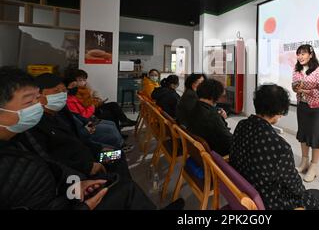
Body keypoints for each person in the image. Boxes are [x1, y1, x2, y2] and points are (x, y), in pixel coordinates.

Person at [0, 67, 183, 210]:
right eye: (29, 100)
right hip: (79, 175)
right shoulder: (30, 131)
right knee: (122, 185)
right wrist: (86, 169)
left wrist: (97, 151)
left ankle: (124, 185)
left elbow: (78, 141)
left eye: (63, 91)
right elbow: (54, 160)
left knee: (117, 155)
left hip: (87, 161)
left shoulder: (56, 114)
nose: (36, 104)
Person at [230, 84, 319, 210]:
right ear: (279, 112)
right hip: (268, 201)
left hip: (243, 188)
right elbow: (296, 187)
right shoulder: (280, 147)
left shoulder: (241, 125)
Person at [292, 44, 319, 182]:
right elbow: (294, 86)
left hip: (316, 109)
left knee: (316, 136)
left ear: (311, 55)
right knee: (303, 134)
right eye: (298, 54)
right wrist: (296, 88)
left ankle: (314, 167)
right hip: (302, 106)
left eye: (303, 53)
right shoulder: (297, 69)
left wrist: (306, 91)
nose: (300, 56)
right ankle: (304, 162)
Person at [64, 77, 126, 151]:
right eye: (72, 85)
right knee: (110, 125)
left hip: (88, 120)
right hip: (85, 125)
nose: (76, 86)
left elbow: (83, 111)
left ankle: (121, 143)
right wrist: (92, 108)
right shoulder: (69, 101)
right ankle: (120, 146)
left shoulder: (75, 96)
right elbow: (82, 115)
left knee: (112, 119)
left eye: (84, 80)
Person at [70, 69, 136, 133]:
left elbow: (90, 99)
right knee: (111, 114)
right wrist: (97, 102)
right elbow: (87, 104)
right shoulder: (76, 92)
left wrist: (97, 100)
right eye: (80, 80)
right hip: (92, 112)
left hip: (94, 107)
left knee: (114, 105)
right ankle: (122, 126)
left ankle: (123, 123)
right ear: (74, 81)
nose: (83, 81)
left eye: (84, 80)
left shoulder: (85, 88)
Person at [186, 79, 232, 156]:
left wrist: (218, 114)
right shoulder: (213, 117)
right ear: (213, 96)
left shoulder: (192, 106)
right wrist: (221, 119)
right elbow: (229, 140)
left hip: (196, 151)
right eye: (219, 95)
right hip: (214, 155)